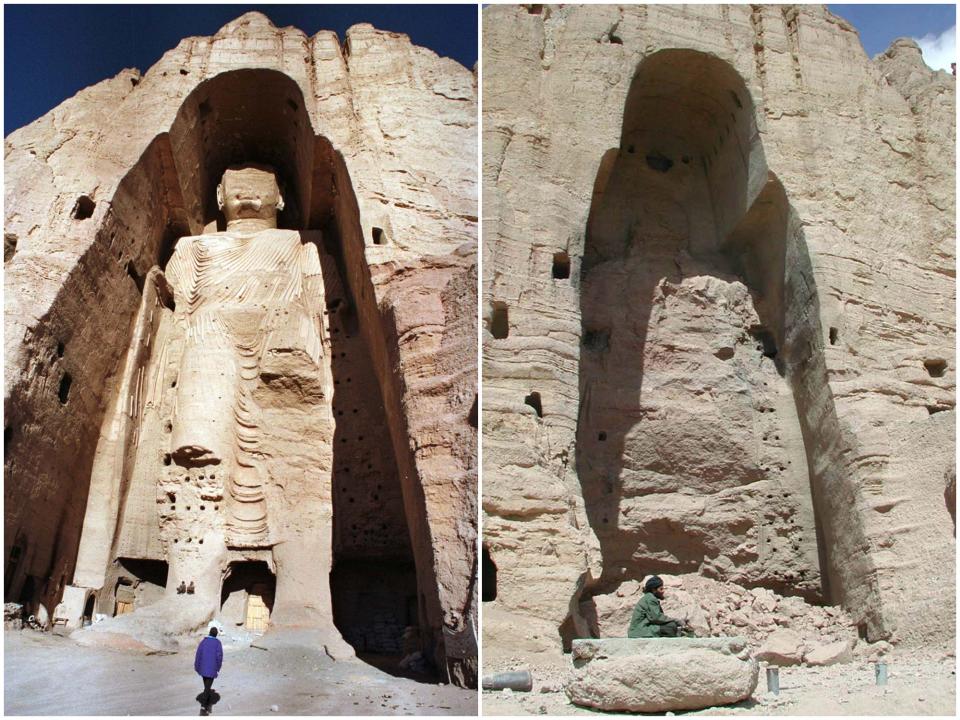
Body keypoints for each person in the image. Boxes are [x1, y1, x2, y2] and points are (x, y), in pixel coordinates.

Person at [194, 626, 223, 715]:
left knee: (207, 687)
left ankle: (208, 704)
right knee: (207, 688)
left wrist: (197, 666)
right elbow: (219, 657)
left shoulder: (203, 642)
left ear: (210, 633)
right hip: (211, 669)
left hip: (203, 669)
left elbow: (198, 654)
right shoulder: (218, 643)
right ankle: (203, 708)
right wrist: (218, 668)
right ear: (216, 634)